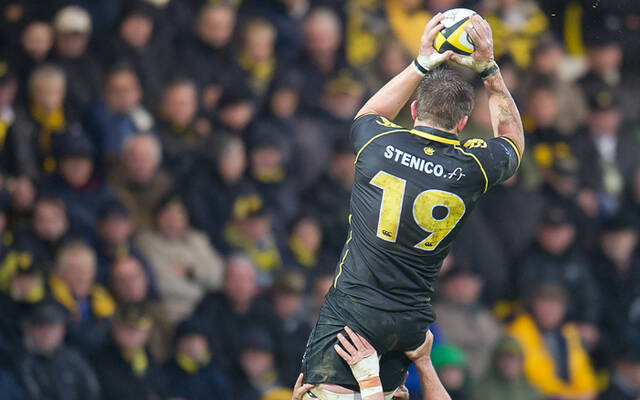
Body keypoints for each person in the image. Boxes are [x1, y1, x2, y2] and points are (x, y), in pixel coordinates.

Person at [301, 13, 524, 397]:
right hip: (409, 323)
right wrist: (489, 69)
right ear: (463, 122)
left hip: (353, 311)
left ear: (416, 111)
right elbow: (513, 141)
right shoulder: (473, 166)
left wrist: (421, 63)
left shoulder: (378, 145)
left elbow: (369, 113)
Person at [136, 194, 225, 323]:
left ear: (186, 220)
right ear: (157, 218)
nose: (173, 223)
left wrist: (192, 272)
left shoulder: (197, 240)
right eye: (168, 217)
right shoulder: (146, 243)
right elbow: (161, 285)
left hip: (203, 310)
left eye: (178, 217)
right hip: (167, 311)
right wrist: (200, 286)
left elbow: (219, 277)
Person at [508, 283, 597, 399]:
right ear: (534, 305)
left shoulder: (568, 333)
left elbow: (582, 371)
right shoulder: (521, 329)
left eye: (555, 306)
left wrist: (586, 393)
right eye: (545, 305)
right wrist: (569, 396)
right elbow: (535, 377)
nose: (549, 311)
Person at [15, 300, 100, 400]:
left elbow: (92, 390)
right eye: (41, 328)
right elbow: (31, 395)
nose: (46, 335)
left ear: (62, 330)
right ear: (30, 330)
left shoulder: (72, 357)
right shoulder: (22, 360)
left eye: (51, 329)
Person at [90, 304, 168, 400]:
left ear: (147, 334)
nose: (132, 334)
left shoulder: (150, 359)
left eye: (137, 330)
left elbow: (161, 391)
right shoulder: (99, 359)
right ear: (115, 328)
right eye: (127, 328)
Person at [473, 336, 542, 400]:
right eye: (505, 359)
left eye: (514, 360)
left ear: (521, 363)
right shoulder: (482, 391)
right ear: (496, 361)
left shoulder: (531, 392)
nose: (509, 365)